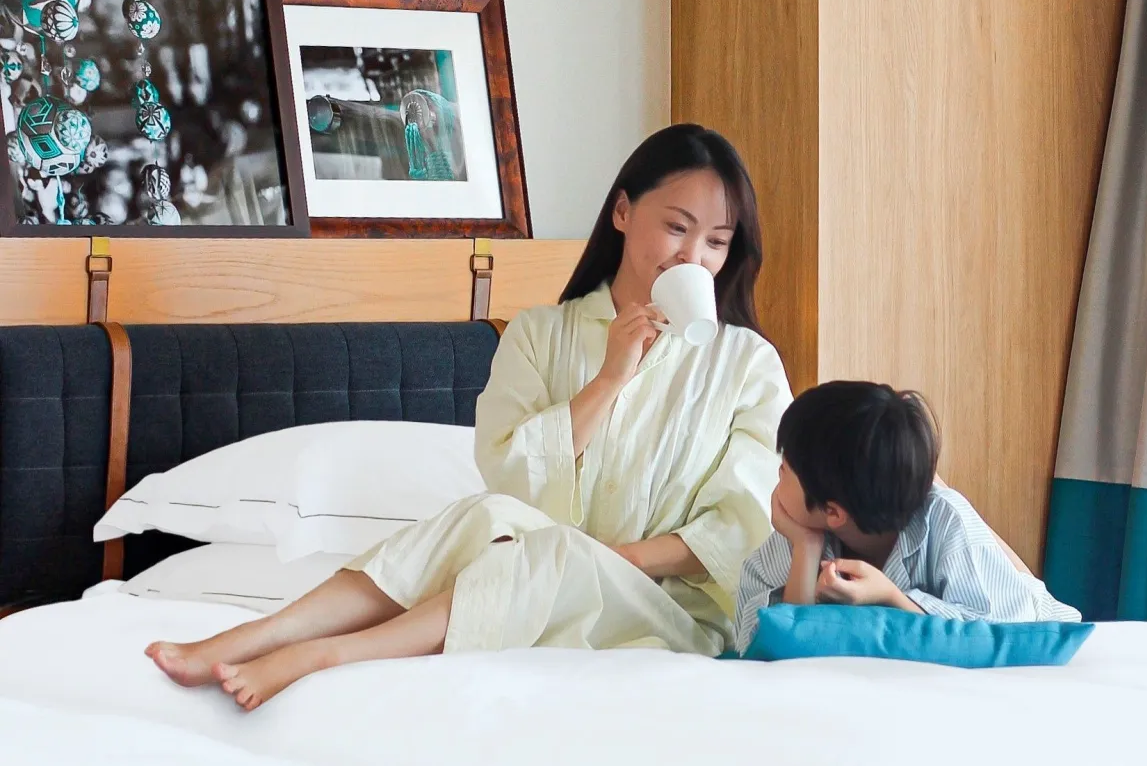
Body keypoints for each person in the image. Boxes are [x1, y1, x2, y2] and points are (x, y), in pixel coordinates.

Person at [145, 123, 793, 710]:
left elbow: (745, 527)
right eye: (677, 228)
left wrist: (603, 558)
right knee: (488, 517)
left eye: (716, 242)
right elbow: (510, 479)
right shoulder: (539, 335)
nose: (693, 258)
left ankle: (324, 655)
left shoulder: (748, 364)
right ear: (623, 211)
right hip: (538, 570)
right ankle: (260, 633)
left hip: (669, 616)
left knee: (552, 553)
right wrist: (608, 380)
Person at [734, 380, 1082, 656]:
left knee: (956, 511)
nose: (777, 472)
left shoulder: (944, 521)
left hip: (1030, 611)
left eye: (785, 468)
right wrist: (805, 550)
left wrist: (891, 597)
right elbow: (762, 648)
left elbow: (1000, 633)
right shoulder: (800, 531)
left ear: (834, 511)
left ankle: (936, 483)